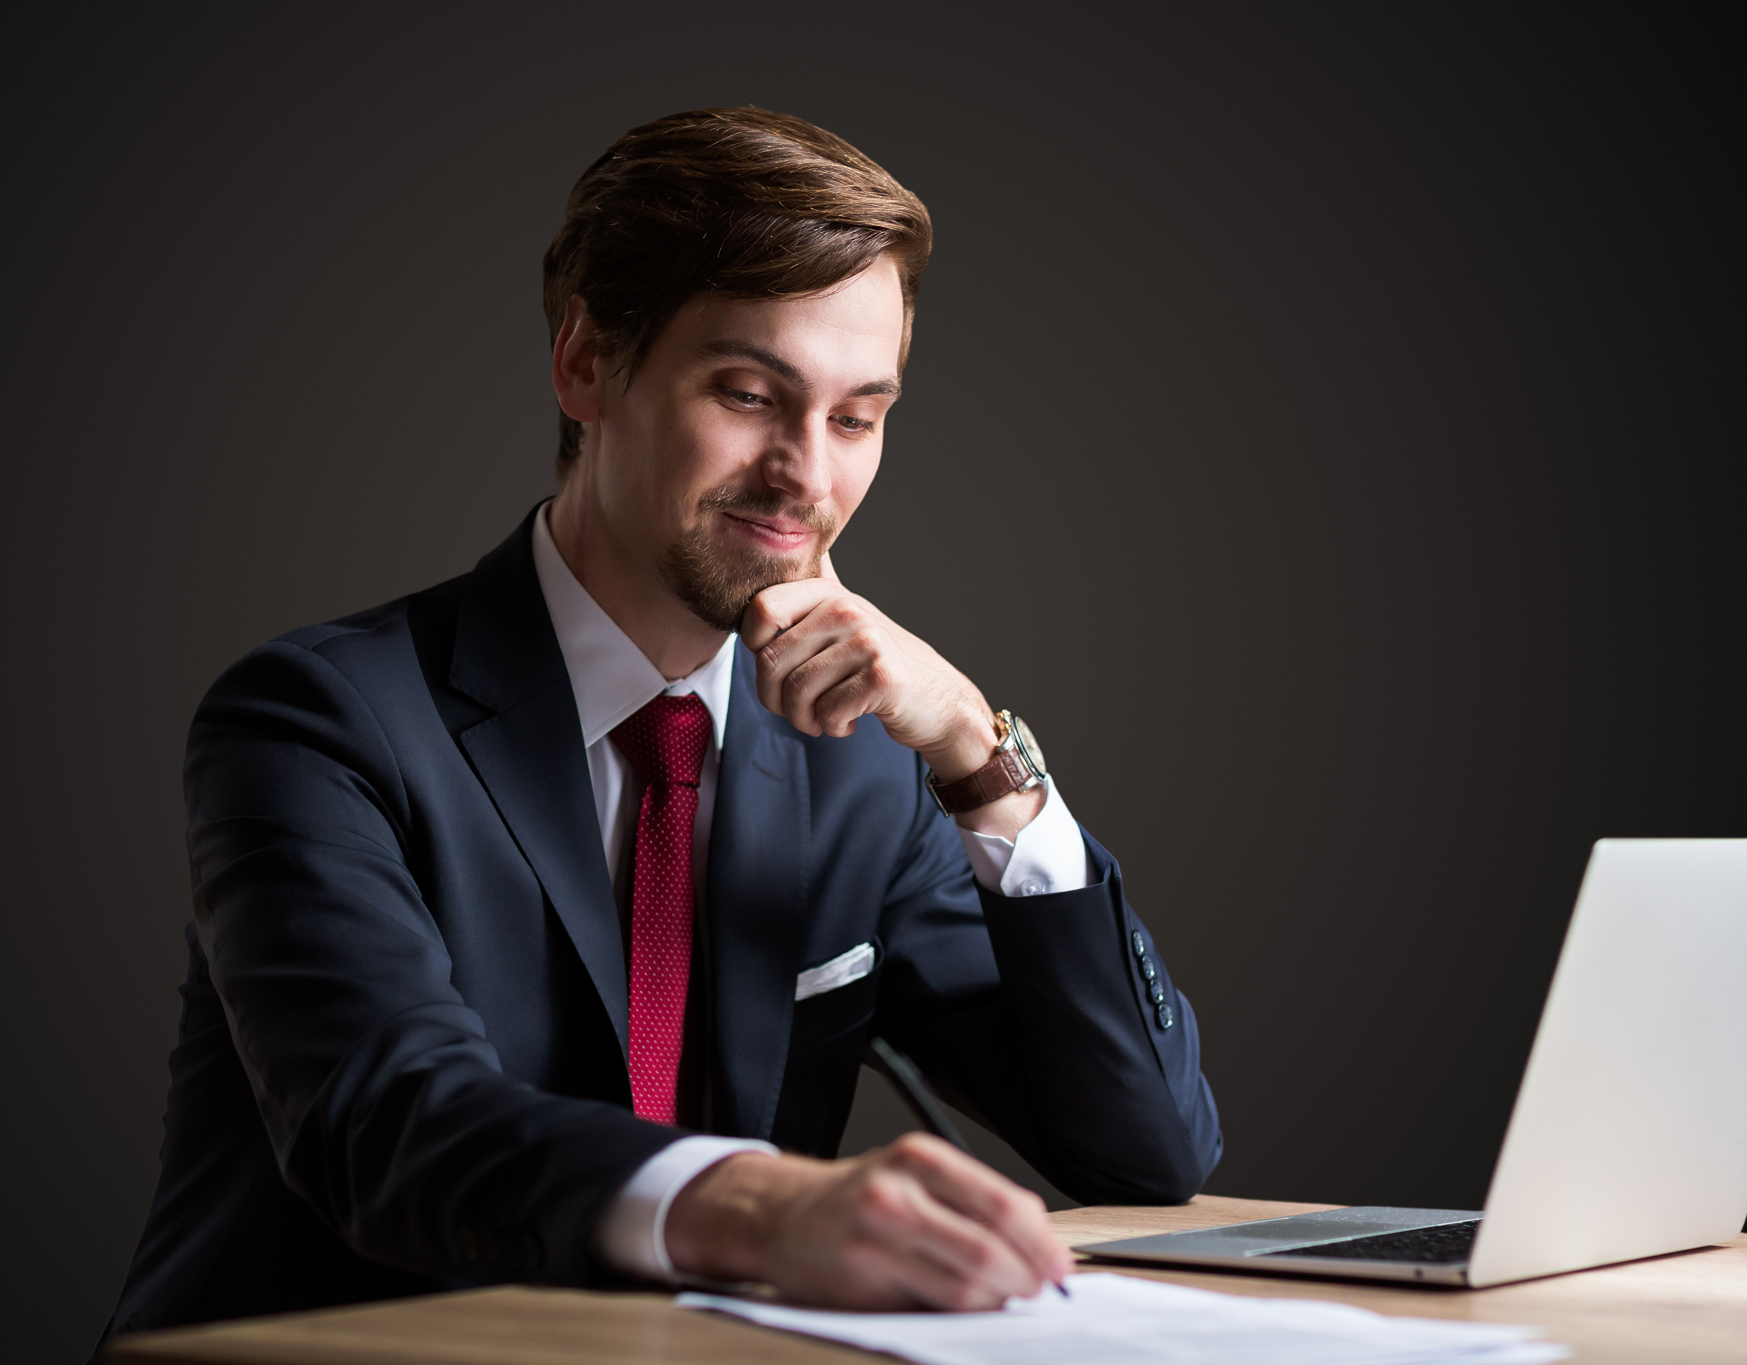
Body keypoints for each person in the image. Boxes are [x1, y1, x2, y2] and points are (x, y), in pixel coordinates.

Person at [102, 107, 1219, 1343]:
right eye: (748, 394)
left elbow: (1144, 1151)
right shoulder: (319, 721)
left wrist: (976, 755)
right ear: (585, 363)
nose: (807, 476)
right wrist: (760, 1208)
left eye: (855, 417)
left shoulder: (862, 770)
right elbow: (388, 1125)